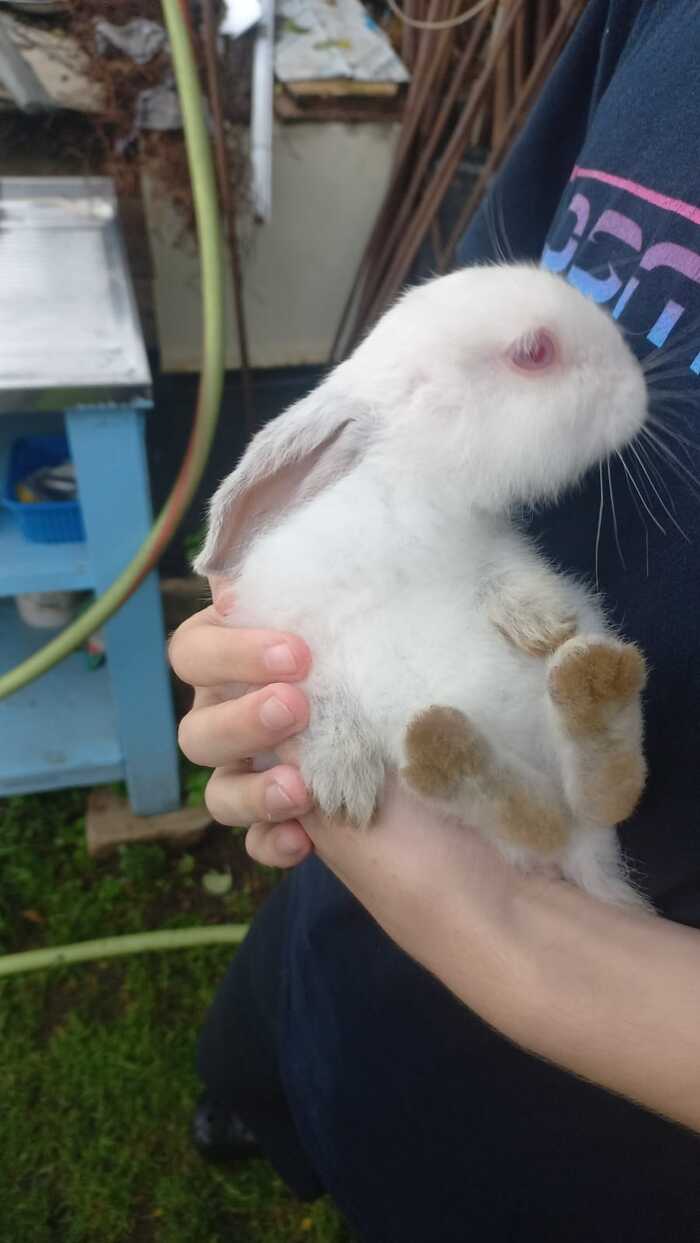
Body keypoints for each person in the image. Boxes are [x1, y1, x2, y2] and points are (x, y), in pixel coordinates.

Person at [170, 1, 700, 1238]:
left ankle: (576, 769)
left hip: (608, 1134)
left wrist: (508, 929)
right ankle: (254, 1106)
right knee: (299, 1057)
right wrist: (275, 691)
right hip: (366, 950)